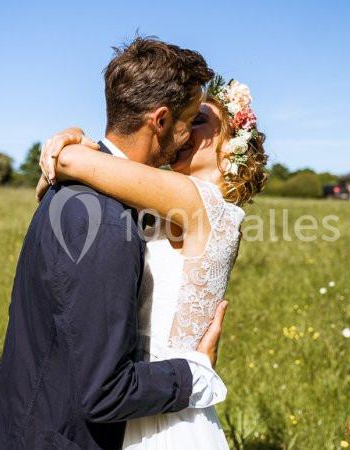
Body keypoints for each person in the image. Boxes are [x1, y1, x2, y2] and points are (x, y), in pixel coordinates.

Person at [0, 37, 227, 450]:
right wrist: (197, 372)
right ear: (160, 120)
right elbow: (105, 390)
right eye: (187, 120)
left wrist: (70, 143)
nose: (187, 137)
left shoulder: (75, 187)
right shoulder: (107, 223)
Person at [36, 75, 268, 449]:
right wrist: (72, 141)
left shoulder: (206, 207)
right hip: (133, 391)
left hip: (165, 403)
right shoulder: (169, 203)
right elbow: (54, 184)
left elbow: (70, 162)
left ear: (228, 147)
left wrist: (69, 140)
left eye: (197, 121)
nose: (181, 127)